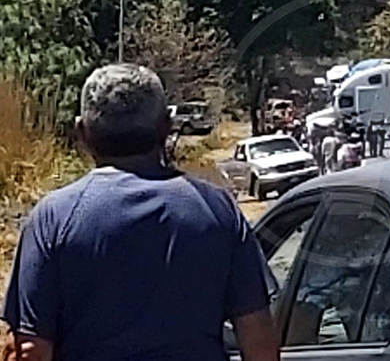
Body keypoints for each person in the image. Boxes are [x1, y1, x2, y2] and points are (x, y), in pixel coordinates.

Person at [2, 65, 279, 361]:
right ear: (167, 126)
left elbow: (31, 350)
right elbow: (259, 340)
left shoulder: (52, 219)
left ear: (81, 133)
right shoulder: (216, 209)